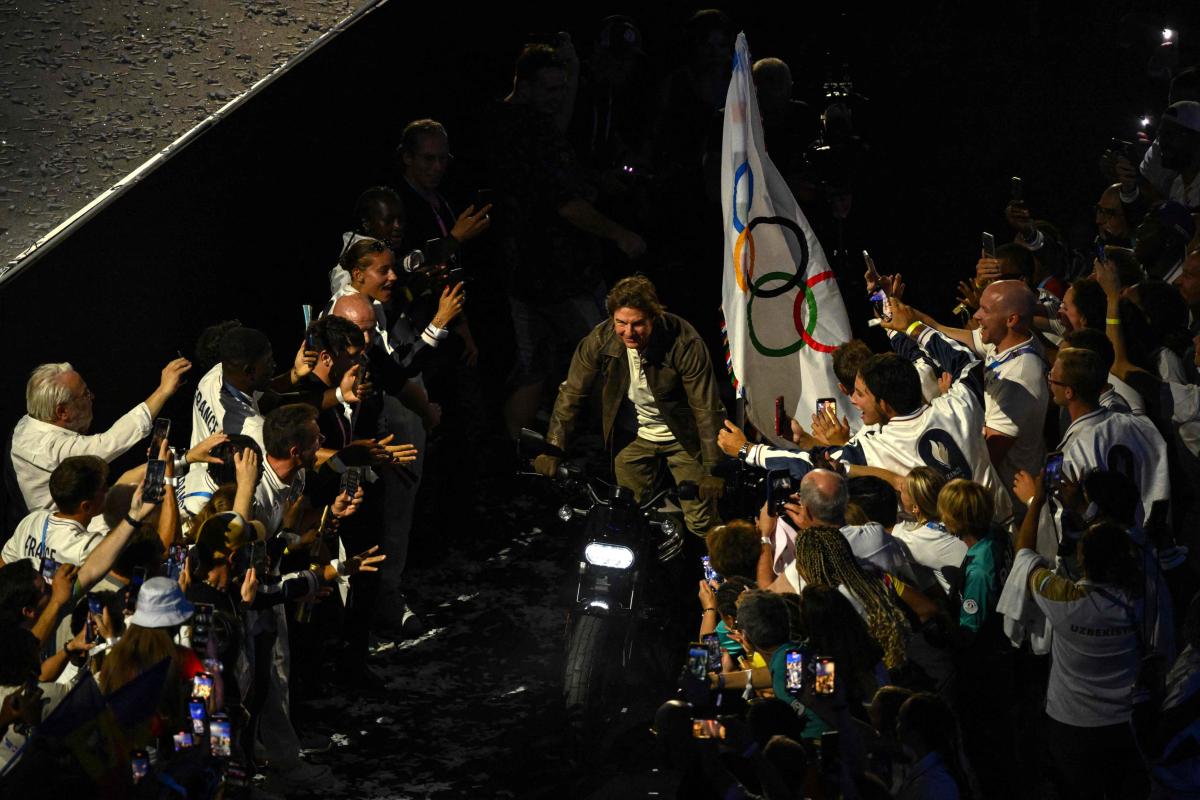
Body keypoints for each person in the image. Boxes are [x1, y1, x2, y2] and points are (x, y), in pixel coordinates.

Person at [485, 43, 647, 438]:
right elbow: (564, 204)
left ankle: (515, 459)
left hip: (523, 273)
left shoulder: (499, 121)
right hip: (558, 273)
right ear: (523, 84)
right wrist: (620, 234)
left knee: (534, 367)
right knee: (608, 359)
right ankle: (626, 449)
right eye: (550, 89)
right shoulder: (532, 131)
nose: (558, 98)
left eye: (563, 88)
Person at [536, 275, 725, 535]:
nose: (628, 332)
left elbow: (706, 407)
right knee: (628, 515)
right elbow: (572, 393)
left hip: (684, 437)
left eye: (638, 324)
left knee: (701, 522)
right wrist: (554, 448)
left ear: (654, 317)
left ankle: (716, 574)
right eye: (621, 323)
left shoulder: (684, 343)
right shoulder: (601, 338)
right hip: (634, 434)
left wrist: (713, 467)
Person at [1013, 471, 1153, 799]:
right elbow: (1129, 540)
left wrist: (1036, 502)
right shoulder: (1140, 595)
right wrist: (1083, 508)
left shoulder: (1062, 597)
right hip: (1124, 724)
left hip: (1070, 725)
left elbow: (1024, 554)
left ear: (1081, 560)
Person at [9, 357, 190, 517]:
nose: (92, 397)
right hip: (69, 532)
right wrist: (163, 391)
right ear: (62, 412)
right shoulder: (50, 449)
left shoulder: (26, 423)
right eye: (85, 395)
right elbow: (108, 443)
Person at [891, 467, 964, 596]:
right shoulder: (962, 513)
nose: (899, 487)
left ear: (915, 507)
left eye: (903, 490)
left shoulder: (912, 538)